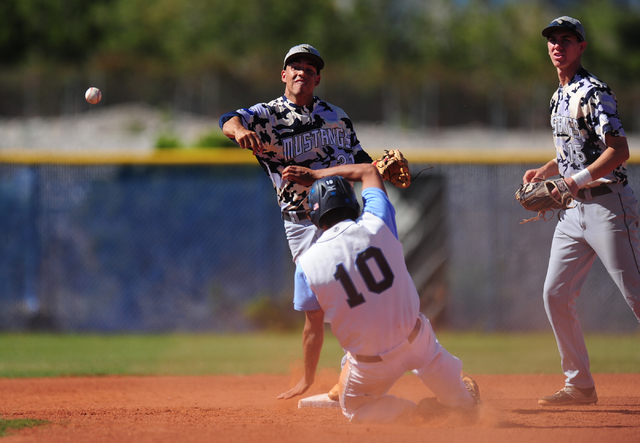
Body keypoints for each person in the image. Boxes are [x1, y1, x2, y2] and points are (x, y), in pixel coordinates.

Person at [277, 163, 480, 423]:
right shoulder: (378, 222)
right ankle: (460, 397)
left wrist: (307, 377)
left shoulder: (307, 264)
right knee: (465, 410)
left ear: (315, 215)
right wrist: (316, 174)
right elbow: (369, 172)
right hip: (419, 342)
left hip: (371, 366)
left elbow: (313, 331)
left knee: (355, 410)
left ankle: (416, 415)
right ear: (352, 202)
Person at [523, 16, 640, 406]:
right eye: (553, 40)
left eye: (567, 39)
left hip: (609, 206)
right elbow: (575, 153)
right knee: (555, 295)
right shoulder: (559, 94)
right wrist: (547, 170)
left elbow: (618, 151)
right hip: (574, 212)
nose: (558, 45)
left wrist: (572, 182)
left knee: (636, 296)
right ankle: (580, 385)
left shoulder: (593, 92)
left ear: (581, 46)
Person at [218, 43, 374, 264]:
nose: (302, 73)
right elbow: (228, 119)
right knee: (317, 290)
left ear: (317, 80)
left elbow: (359, 157)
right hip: (304, 222)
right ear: (284, 75)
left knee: (353, 290)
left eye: (310, 70)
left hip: (344, 215)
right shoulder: (269, 115)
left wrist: (380, 168)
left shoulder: (336, 115)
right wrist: (240, 130)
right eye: (296, 67)